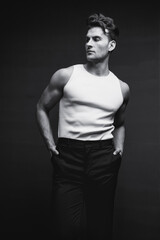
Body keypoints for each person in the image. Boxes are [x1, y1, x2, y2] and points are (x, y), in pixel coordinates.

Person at [36, 12, 130, 240]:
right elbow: (41, 107)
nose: (88, 43)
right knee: (64, 229)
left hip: (103, 159)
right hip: (69, 157)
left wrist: (118, 150)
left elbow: (120, 123)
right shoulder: (66, 76)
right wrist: (51, 145)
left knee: (101, 228)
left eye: (96, 39)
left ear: (111, 45)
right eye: (87, 39)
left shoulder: (121, 88)